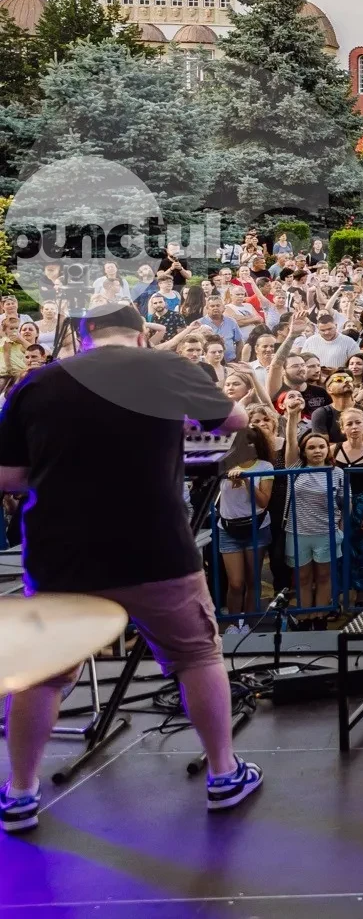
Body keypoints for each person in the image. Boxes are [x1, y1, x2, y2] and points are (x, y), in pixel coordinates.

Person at [0, 303, 262, 831]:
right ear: (142, 334)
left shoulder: (36, 382)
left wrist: (58, 476)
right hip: (155, 547)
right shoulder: (165, 367)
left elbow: (7, 477)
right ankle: (223, 774)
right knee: (196, 656)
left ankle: (20, 794)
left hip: (62, 554)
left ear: (84, 336)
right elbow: (235, 421)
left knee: (43, 676)